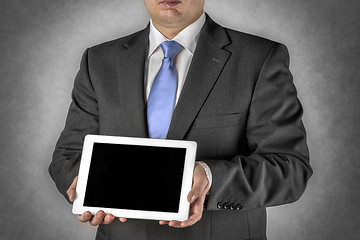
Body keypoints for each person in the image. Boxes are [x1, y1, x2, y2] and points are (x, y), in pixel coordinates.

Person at [49, 0, 313, 239]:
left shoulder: (260, 58)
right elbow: (68, 157)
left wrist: (211, 177)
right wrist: (85, 186)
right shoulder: (98, 61)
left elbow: (290, 169)